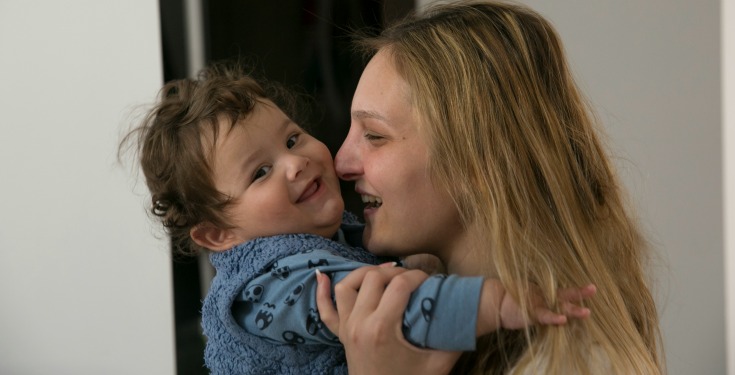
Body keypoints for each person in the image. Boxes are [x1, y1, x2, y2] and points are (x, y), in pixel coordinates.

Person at [119, 62, 594, 374]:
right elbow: (388, 306)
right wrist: (505, 303)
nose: (295, 163)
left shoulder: (335, 238)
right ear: (218, 234)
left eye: (291, 139)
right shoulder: (271, 283)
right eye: (260, 172)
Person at [317, 1, 664, 374]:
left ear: (477, 161)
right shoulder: (410, 325)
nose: (340, 163)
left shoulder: (575, 365)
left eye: (374, 135)